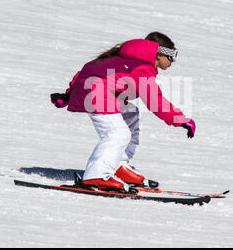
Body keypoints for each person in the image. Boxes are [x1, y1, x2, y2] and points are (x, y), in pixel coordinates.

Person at [50, 32, 196, 191]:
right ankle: (96, 176)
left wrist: (68, 95)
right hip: (96, 94)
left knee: (131, 114)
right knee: (118, 133)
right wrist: (180, 119)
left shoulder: (128, 60)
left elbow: (88, 70)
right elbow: (155, 100)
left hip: (100, 93)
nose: (172, 61)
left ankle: (119, 165)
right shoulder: (141, 67)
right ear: (160, 54)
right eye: (172, 56)